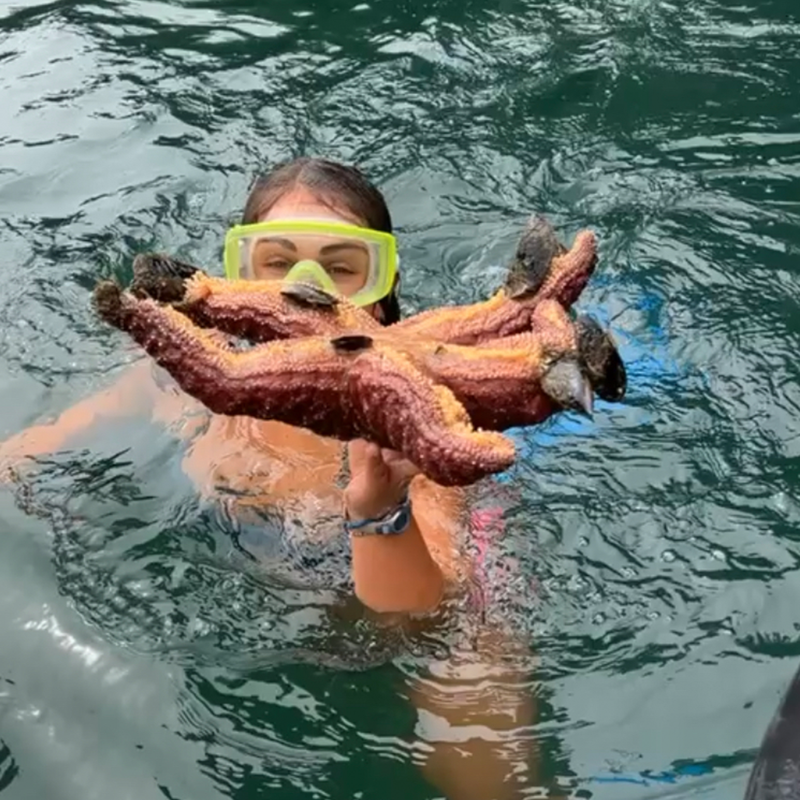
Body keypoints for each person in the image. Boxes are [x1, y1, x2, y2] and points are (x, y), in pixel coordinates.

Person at [0, 157, 540, 799]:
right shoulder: (175, 382)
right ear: (235, 280)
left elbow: (420, 619)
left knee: (479, 722)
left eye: (341, 267)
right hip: (268, 588)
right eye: (276, 263)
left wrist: (380, 502)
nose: (305, 289)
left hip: (420, 577)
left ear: (382, 286)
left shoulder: (414, 414)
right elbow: (29, 451)